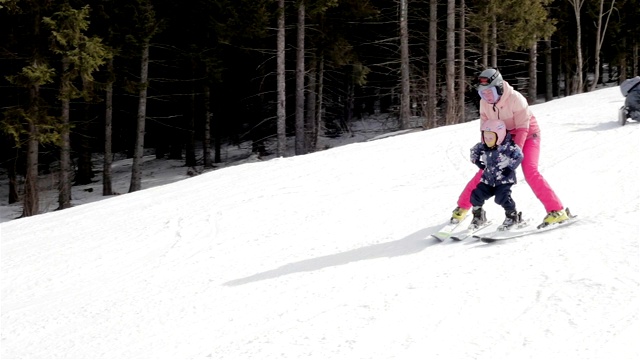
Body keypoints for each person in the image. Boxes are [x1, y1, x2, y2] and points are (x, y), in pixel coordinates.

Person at [450, 68, 569, 228]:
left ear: (499, 87)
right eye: (482, 93)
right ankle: (463, 206)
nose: (487, 96)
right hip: (502, 137)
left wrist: (513, 154)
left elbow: (522, 128)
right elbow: (485, 129)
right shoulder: (484, 103)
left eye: (490, 92)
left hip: (528, 135)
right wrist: (486, 152)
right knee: (485, 171)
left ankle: (556, 210)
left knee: (530, 171)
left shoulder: (515, 99)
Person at [469, 119, 523, 230]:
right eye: (486, 137)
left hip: (504, 179)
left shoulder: (507, 147)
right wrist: (476, 161)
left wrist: (509, 168)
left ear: (499, 136)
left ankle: (512, 216)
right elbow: (474, 150)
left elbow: (519, 155)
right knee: (476, 195)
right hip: (488, 179)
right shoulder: (483, 146)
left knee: (501, 198)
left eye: (491, 138)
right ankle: (479, 216)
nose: (488, 140)